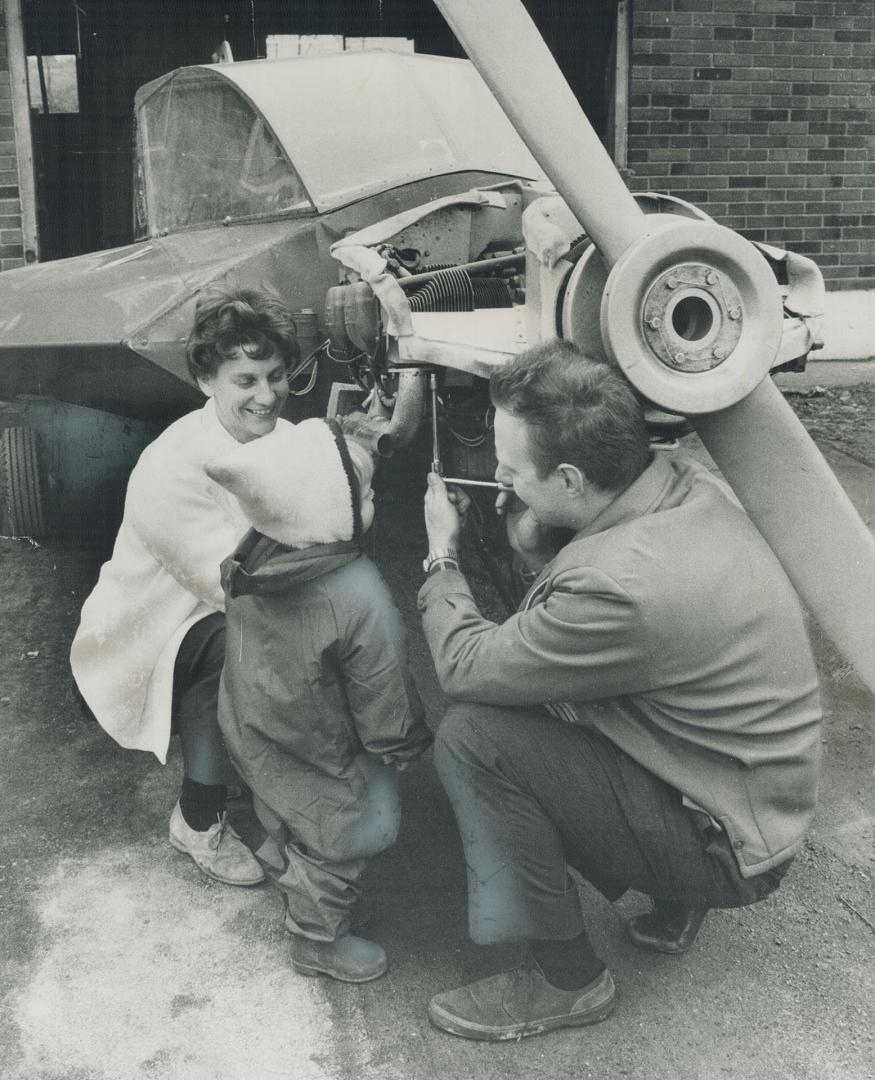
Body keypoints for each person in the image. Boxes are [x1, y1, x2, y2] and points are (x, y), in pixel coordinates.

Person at [418, 340, 822, 1041]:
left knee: (475, 738)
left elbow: (466, 664)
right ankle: (674, 893)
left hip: (728, 841)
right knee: (564, 700)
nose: (498, 480)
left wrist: (441, 554)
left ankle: (565, 979)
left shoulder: (619, 588)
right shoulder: (681, 481)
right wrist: (540, 540)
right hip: (749, 785)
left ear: (570, 478)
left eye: (510, 470)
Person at [70, 286, 301, 887]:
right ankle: (198, 819)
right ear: (206, 381)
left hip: (211, 607)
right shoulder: (173, 464)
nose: (267, 394)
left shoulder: (282, 436)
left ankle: (262, 786)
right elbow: (233, 587)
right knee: (239, 643)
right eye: (245, 381)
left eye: (276, 376)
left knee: (307, 628)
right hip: (143, 637)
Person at [205, 417, 432, 983]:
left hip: (258, 723)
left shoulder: (250, 559)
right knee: (345, 831)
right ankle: (317, 937)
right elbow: (384, 688)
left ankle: (283, 855)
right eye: (367, 492)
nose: (376, 498)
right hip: (322, 745)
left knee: (284, 804)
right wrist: (401, 743)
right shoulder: (360, 596)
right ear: (327, 510)